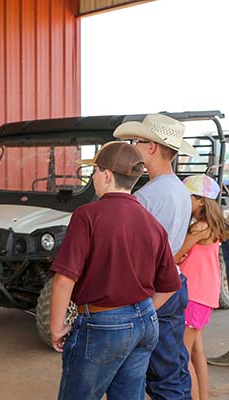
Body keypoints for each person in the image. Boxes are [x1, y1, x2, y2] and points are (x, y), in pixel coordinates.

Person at [50, 142, 180, 399]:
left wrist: (56, 328)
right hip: (144, 321)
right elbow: (169, 284)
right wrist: (138, 315)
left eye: (94, 172)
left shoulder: (88, 215)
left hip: (103, 324)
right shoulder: (150, 221)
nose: (93, 178)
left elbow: (65, 279)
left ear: (106, 175)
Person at [114, 113, 198, 400]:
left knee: (155, 376)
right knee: (172, 368)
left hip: (152, 289)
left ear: (151, 147)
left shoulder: (147, 197)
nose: (134, 146)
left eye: (138, 141)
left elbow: (134, 252)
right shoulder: (179, 190)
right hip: (173, 282)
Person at [174, 175, 229, 400]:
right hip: (205, 296)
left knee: (181, 357)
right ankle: (203, 397)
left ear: (199, 201)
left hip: (193, 296)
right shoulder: (212, 226)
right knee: (197, 353)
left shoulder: (199, 227)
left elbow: (174, 256)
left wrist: (179, 255)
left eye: (187, 197)